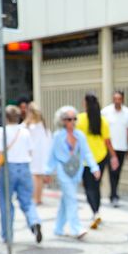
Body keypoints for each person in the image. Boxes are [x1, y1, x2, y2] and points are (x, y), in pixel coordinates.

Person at [45, 106, 100, 239]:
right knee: (71, 199)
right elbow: (52, 155)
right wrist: (47, 172)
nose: (72, 121)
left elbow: (87, 152)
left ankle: (58, 228)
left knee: (66, 200)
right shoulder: (58, 136)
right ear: (63, 120)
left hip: (76, 171)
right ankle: (77, 228)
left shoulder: (80, 135)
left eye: (74, 118)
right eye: (69, 119)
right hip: (62, 170)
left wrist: (94, 167)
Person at [0, 105, 42, 243]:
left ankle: (7, 235)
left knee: (5, 202)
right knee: (27, 200)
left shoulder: (0, 132)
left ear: (5, 117)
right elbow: (31, 151)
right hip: (24, 167)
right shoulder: (24, 132)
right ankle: (34, 221)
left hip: (8, 168)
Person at [77, 92, 118, 229]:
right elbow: (107, 142)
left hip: (85, 160)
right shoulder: (103, 120)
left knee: (88, 187)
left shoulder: (80, 119)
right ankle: (97, 212)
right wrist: (113, 156)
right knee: (96, 186)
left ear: (86, 104)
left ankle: (94, 212)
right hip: (101, 157)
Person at [101, 89, 128, 207]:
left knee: (117, 171)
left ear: (122, 99)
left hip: (122, 147)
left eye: (119, 99)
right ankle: (114, 195)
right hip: (109, 147)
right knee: (112, 171)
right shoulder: (105, 112)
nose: (117, 101)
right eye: (115, 99)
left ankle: (113, 194)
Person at [25, 102, 52, 206]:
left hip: (33, 155)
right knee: (39, 177)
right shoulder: (44, 127)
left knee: (34, 176)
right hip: (43, 155)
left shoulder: (30, 127)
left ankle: (35, 198)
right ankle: (38, 198)